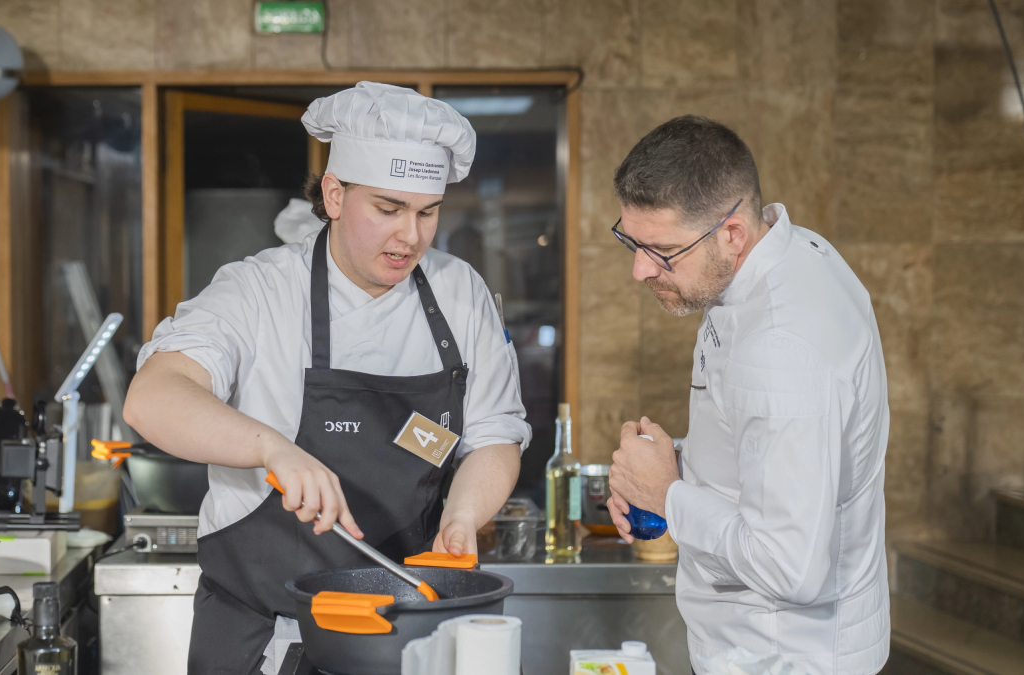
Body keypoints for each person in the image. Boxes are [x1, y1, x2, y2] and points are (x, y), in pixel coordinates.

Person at [123, 82, 530, 675]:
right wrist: (272, 449)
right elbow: (153, 398)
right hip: (258, 637)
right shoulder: (259, 290)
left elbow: (494, 433)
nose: (410, 236)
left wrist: (464, 515)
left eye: (427, 212)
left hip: (397, 627)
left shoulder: (458, 291)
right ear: (335, 195)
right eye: (388, 209)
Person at [605, 116, 889, 675]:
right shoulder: (788, 254)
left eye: (659, 250)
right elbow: (771, 445)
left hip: (780, 658)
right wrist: (674, 465)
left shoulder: (781, 347)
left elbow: (791, 569)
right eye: (630, 241)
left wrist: (669, 497)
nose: (640, 270)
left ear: (731, 234)